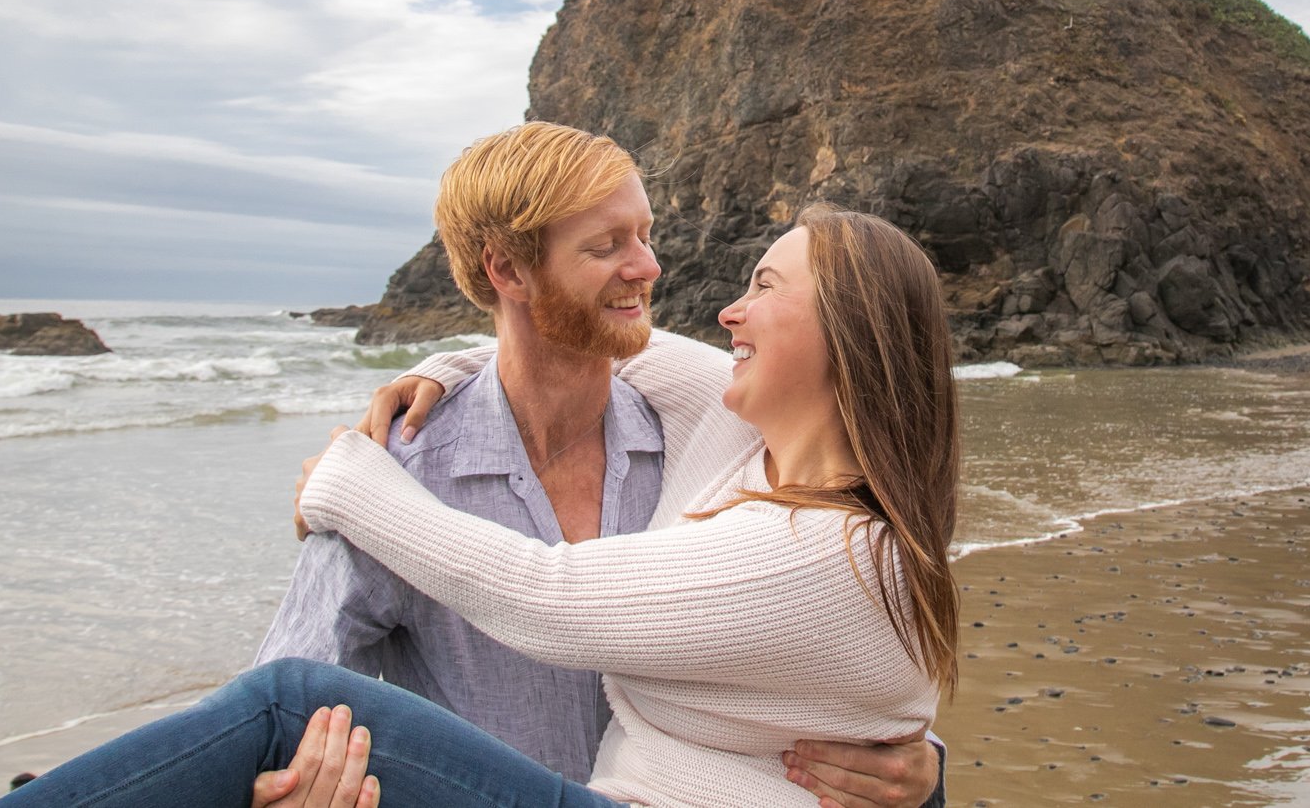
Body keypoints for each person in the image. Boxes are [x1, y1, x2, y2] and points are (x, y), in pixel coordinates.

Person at [0, 200, 960, 808]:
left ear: (847, 332)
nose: (727, 312)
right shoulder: (746, 433)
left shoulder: (834, 550)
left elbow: (549, 596)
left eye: (764, 287)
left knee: (289, 700)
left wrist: (352, 481)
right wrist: (440, 370)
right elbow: (580, 334)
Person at [258, 122, 941, 808]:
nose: (650, 267)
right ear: (508, 271)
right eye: (609, 244)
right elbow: (289, 714)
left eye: (644, 235)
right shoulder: (409, 467)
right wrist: (289, 789)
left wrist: (919, 762)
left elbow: (828, 657)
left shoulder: (699, 444)